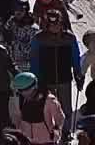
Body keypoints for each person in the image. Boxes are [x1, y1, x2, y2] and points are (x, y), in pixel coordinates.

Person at [31, 10, 83, 142]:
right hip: (46, 79)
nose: (55, 27)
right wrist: (35, 78)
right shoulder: (39, 39)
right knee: (47, 107)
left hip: (64, 78)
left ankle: (65, 132)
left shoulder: (68, 38)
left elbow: (75, 57)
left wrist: (78, 73)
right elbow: (34, 59)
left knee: (66, 107)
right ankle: (49, 132)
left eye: (57, 24)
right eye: (51, 24)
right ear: (46, 25)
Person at [5, 72, 65, 145]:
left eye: (25, 90)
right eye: (20, 91)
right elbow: (16, 117)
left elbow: (60, 117)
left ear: (33, 87)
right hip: (26, 140)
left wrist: (56, 131)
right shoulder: (20, 99)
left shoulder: (48, 100)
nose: (23, 93)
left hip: (46, 140)